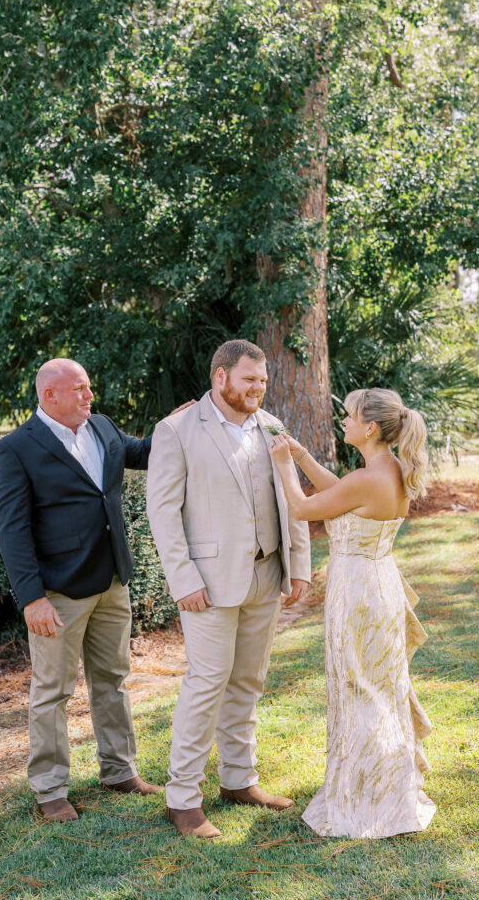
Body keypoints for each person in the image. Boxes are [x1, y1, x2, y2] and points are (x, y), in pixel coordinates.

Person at [146, 339, 312, 839]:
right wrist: (184, 580)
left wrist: (297, 563)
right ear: (220, 378)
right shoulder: (176, 430)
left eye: (263, 381)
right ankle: (182, 799)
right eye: (249, 380)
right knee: (206, 684)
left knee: (248, 681)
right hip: (209, 584)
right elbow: (163, 512)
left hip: (266, 575)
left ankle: (239, 780)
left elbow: (291, 496)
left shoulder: (271, 426)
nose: (259, 389)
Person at [0, 358, 161, 823]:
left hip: (112, 581)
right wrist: (32, 598)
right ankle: (49, 790)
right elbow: (13, 530)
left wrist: (182, 422)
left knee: (113, 680)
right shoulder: (16, 448)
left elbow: (145, 452)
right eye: (81, 389)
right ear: (50, 395)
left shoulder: (102, 427)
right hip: (59, 592)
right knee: (52, 690)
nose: (90, 396)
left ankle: (120, 770)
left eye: (89, 388)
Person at [268, 387, 436, 839]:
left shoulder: (370, 477)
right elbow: (340, 493)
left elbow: (303, 509)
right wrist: (303, 457)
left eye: (348, 416)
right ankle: (380, 786)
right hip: (376, 585)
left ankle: (371, 797)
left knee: (360, 687)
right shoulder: (387, 469)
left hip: (359, 594)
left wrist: (283, 465)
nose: (342, 421)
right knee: (376, 686)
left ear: (370, 427)